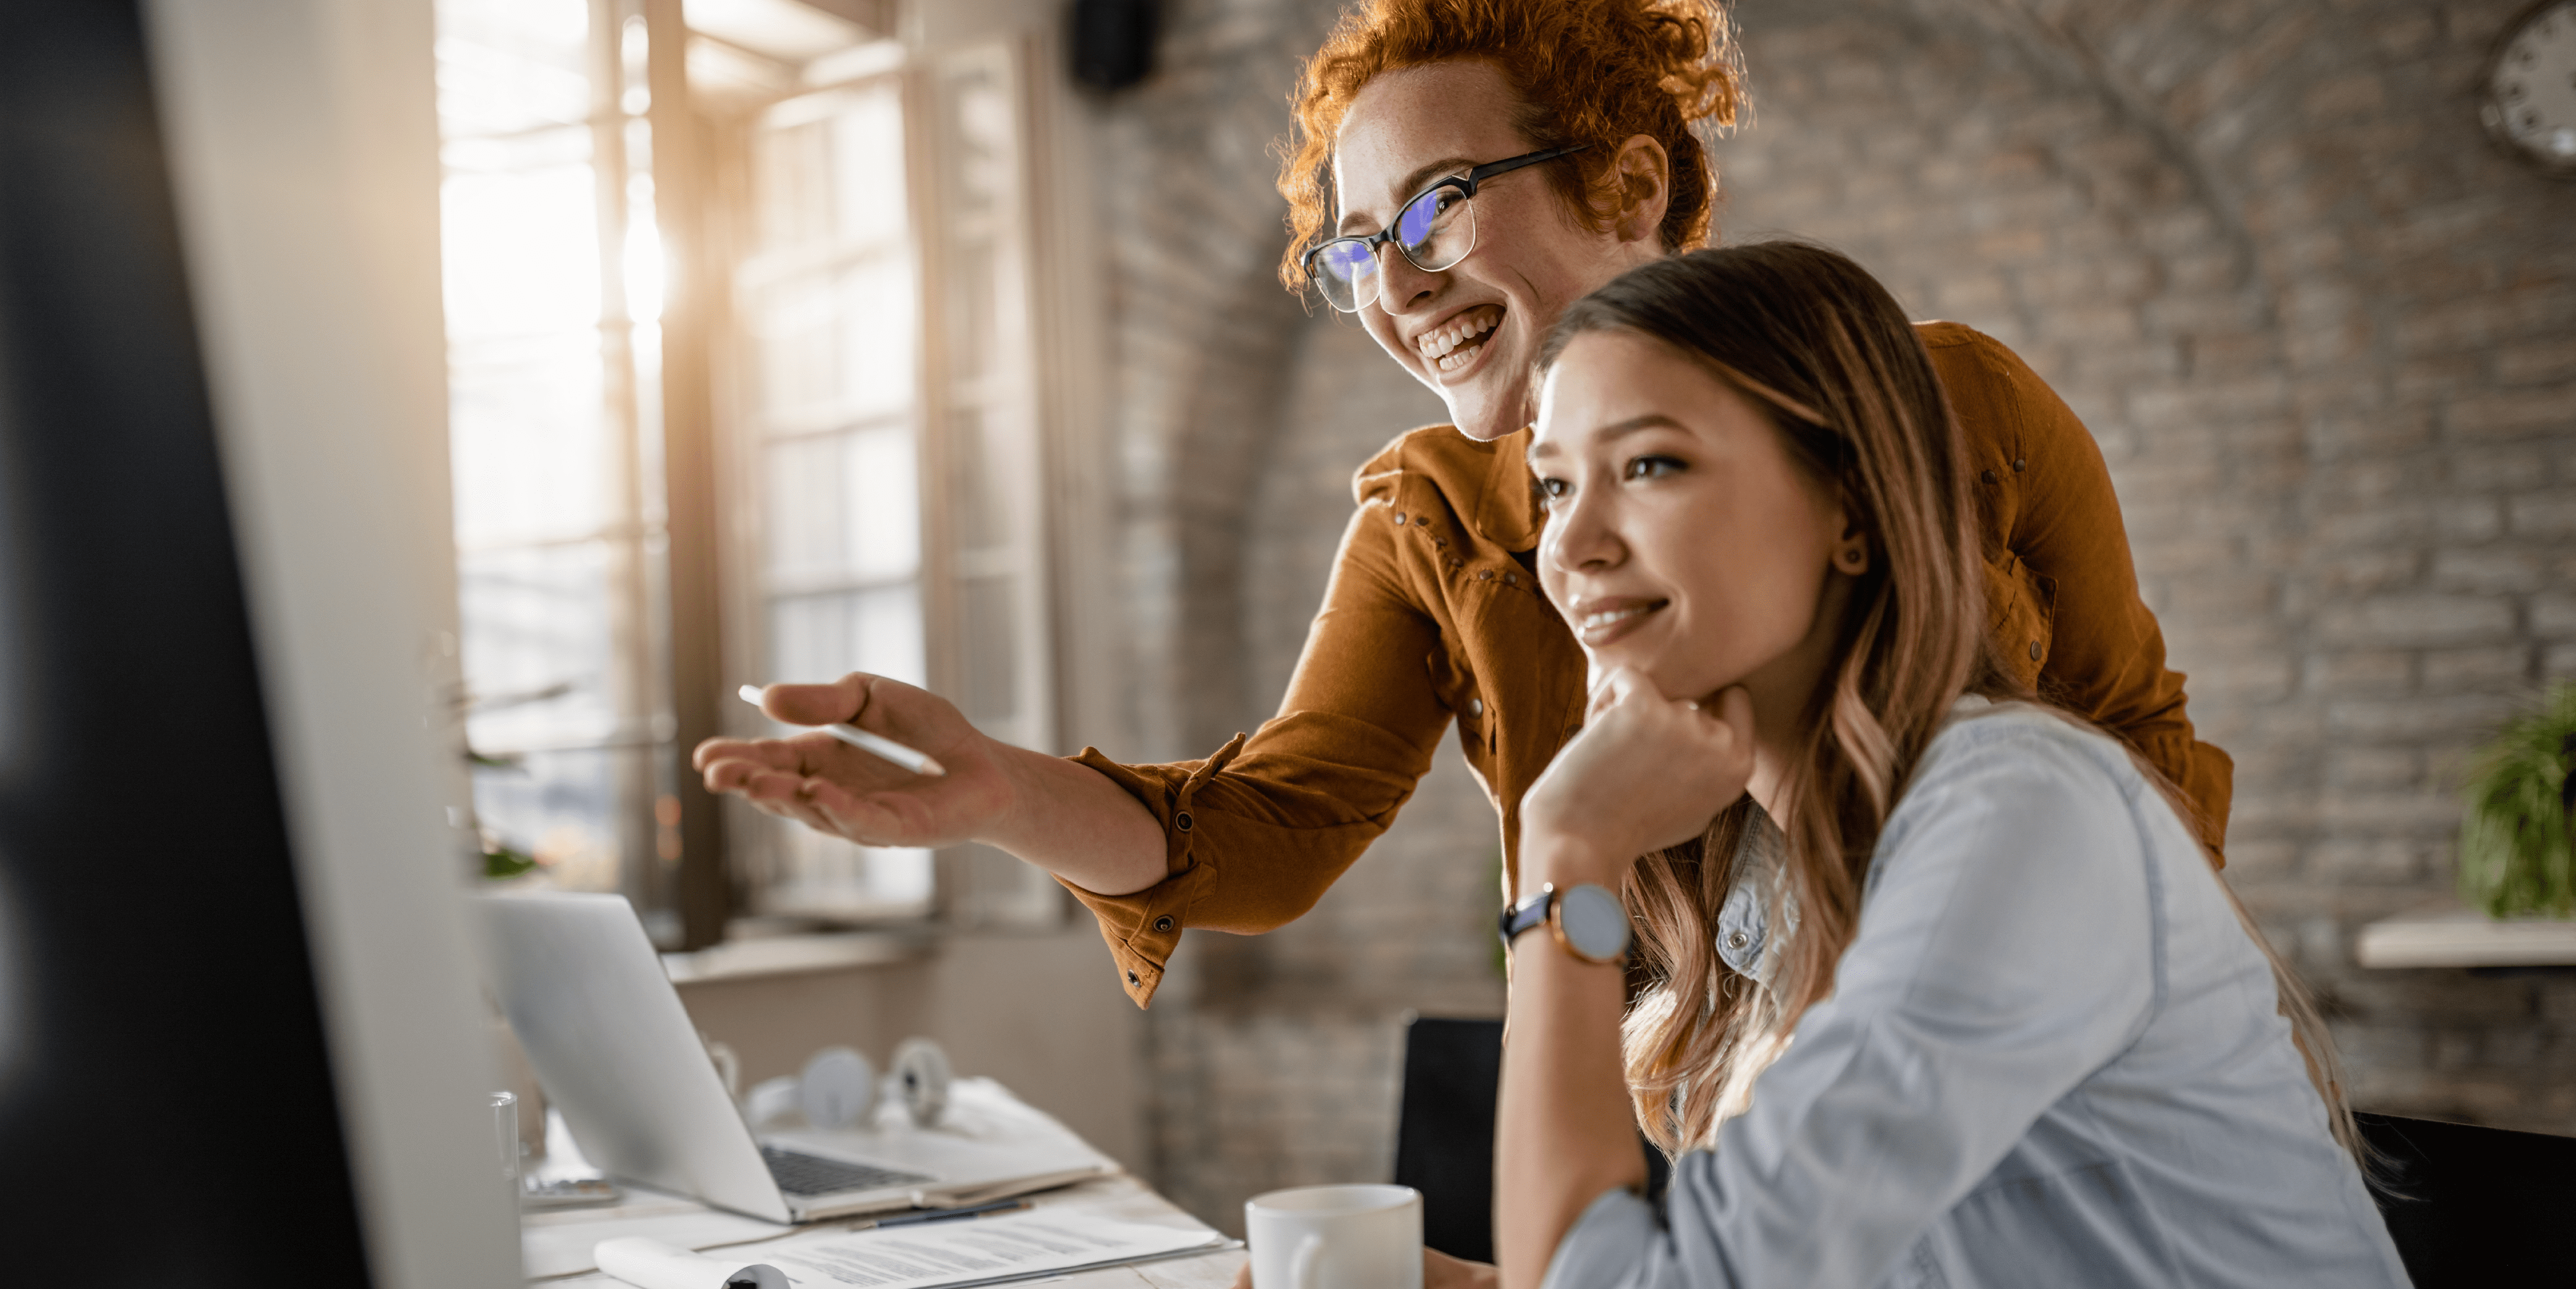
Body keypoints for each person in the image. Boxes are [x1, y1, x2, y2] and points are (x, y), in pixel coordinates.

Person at [693, 0, 2232, 1012]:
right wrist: (995, 794)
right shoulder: (1433, 513)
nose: (1400, 283)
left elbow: (2139, 743)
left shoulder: (1949, 404)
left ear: (1631, 188)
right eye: (1357, 247)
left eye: (1437, 203)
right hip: (1659, 1115)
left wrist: (2104, 1009)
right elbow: (1272, 832)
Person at [1495, 242, 2402, 1289]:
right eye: (1554, 487)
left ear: (1851, 508)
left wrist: (1564, 855)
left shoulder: (2019, 811)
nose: (1571, 547)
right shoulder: (1764, 875)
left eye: (1649, 464)